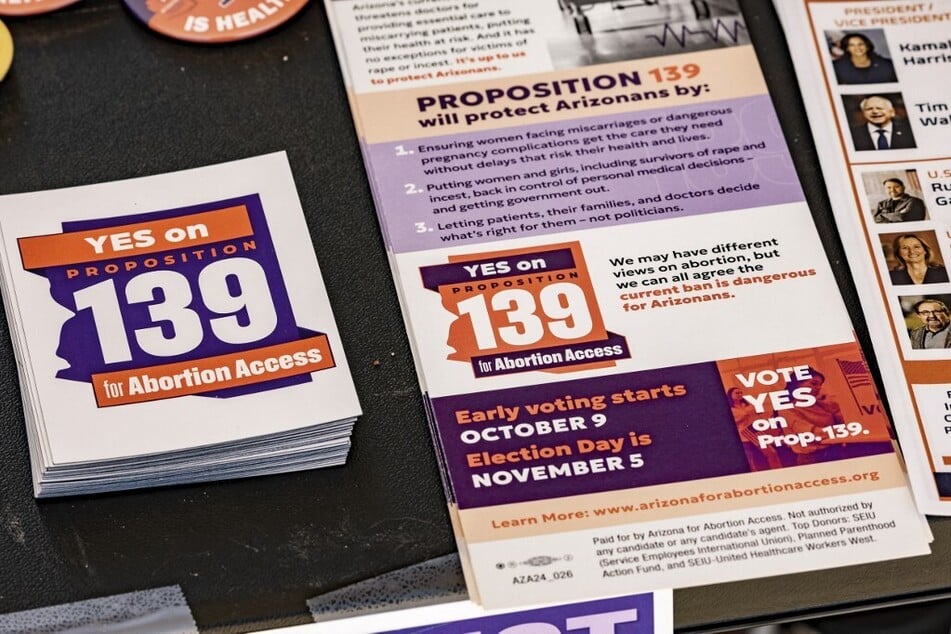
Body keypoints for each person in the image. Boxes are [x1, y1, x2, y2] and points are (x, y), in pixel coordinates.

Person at [780, 369, 843, 465]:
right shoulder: (787, 409)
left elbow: (844, 421)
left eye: (820, 385)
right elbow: (812, 435)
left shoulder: (820, 404)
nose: (818, 388)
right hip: (813, 458)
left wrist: (834, 408)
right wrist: (844, 430)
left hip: (835, 450)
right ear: (797, 385)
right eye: (814, 383)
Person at [727, 387, 782, 470]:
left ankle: (778, 469)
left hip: (754, 430)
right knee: (749, 459)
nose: (740, 395)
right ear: (730, 395)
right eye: (737, 393)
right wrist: (743, 416)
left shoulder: (747, 405)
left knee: (771, 452)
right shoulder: (730, 409)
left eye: (741, 393)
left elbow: (757, 414)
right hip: (742, 434)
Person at [849, 95, 916, 150]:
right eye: (869, 109)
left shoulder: (909, 132)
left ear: (892, 112)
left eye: (879, 108)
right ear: (863, 113)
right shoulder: (852, 134)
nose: (875, 111)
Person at [832, 32, 898, 84]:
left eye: (861, 44)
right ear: (847, 48)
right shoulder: (836, 67)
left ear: (867, 46)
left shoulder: (888, 65)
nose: (857, 48)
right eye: (852, 45)